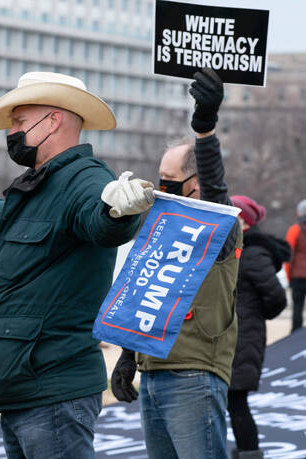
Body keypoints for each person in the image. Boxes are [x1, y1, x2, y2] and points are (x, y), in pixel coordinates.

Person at [0, 72, 153, 458]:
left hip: (52, 390)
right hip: (28, 389)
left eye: (19, 122)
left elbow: (99, 220)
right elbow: (8, 221)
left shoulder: (83, 178)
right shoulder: (41, 183)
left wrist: (119, 210)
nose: (12, 133)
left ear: (52, 121)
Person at [111, 68, 243, 459]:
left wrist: (204, 130)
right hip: (154, 370)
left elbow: (217, 192)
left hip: (193, 373)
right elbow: (144, 293)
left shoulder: (221, 226)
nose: (160, 187)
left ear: (195, 184)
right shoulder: (160, 228)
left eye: (169, 180)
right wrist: (127, 355)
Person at [227, 195, 289, 459]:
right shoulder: (237, 250)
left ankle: (249, 452)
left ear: (244, 222)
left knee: (236, 401)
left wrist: (252, 315)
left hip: (243, 338)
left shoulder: (252, 253)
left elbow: (277, 298)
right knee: (231, 402)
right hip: (238, 336)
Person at [285, 199, 306, 332]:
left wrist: (288, 276)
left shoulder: (295, 230)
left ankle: (296, 334)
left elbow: (288, 255)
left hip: (297, 276)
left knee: (297, 308)